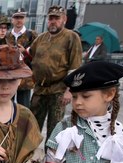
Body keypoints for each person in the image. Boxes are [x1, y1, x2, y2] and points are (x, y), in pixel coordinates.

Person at [28, 5, 82, 142]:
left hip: (58, 90)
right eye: (51, 18)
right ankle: (30, 157)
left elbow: (75, 67)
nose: (53, 21)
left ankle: (51, 160)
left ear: (64, 19)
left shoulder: (71, 37)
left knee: (55, 128)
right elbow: (31, 55)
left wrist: (70, 91)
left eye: (57, 18)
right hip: (39, 89)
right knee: (32, 126)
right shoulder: (41, 38)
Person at [5, 7, 37, 108]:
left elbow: (38, 56)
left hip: (25, 79)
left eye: (21, 17)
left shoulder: (32, 35)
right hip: (9, 77)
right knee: (7, 105)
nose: (19, 20)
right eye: (16, 17)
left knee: (23, 107)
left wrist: (26, 52)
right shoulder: (7, 36)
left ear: (25, 19)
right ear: (12, 19)